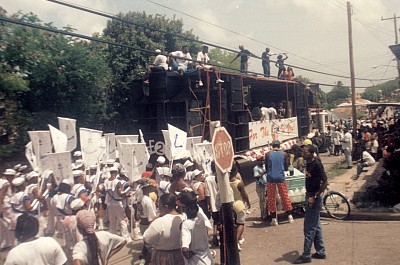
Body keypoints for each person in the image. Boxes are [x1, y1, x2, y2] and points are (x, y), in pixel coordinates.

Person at [293, 144, 327, 264]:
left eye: (306, 151)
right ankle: (321, 252)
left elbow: (325, 182)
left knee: (309, 228)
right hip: (310, 195)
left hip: (314, 197)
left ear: (312, 153)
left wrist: (315, 196)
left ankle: (306, 255)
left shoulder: (317, 164)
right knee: (316, 226)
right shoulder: (309, 163)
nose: (303, 153)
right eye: (303, 151)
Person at [143, 193, 185, 265]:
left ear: (165, 207)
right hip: (181, 256)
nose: (158, 209)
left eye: (159, 206)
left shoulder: (159, 222)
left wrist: (154, 220)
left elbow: (147, 239)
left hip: (162, 258)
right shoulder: (184, 218)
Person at [177, 189, 214, 265]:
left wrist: (187, 253)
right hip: (207, 259)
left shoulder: (186, 224)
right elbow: (208, 230)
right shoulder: (200, 216)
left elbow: (185, 249)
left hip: (196, 261)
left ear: (183, 206)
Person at [265, 140, 294, 226]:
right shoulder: (284, 154)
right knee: (284, 196)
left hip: (271, 178)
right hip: (281, 177)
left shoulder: (267, 154)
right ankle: (290, 216)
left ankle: (274, 219)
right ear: (279, 145)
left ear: (272, 146)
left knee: (271, 198)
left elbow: (267, 167)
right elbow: (285, 167)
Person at [229, 164, 251, 251]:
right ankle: (236, 242)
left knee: (235, 224)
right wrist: (248, 202)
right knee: (241, 224)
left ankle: (238, 239)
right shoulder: (239, 183)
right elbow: (244, 195)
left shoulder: (226, 182)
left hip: (230, 205)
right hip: (239, 205)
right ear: (235, 172)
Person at [253, 155, 267, 221]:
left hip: (266, 186)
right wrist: (263, 173)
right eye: (261, 160)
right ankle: (263, 216)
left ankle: (266, 214)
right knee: (262, 202)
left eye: (263, 160)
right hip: (260, 187)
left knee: (266, 201)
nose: (262, 161)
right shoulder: (256, 168)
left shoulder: (264, 166)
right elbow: (257, 177)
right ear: (258, 161)